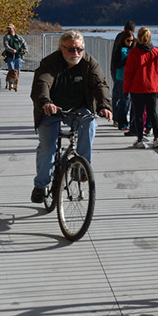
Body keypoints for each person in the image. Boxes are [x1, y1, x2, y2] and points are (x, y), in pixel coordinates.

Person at [29, 30, 113, 203]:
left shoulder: (89, 63)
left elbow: (100, 84)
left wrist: (104, 106)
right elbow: (42, 82)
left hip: (79, 108)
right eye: (71, 50)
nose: (76, 53)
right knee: (48, 147)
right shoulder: (51, 63)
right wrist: (45, 102)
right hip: (51, 109)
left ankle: (80, 167)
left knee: (90, 125)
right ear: (62, 48)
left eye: (79, 49)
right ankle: (41, 185)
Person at [122, 26, 158, 149]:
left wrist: (125, 89)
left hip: (137, 88)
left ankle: (140, 140)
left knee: (138, 114)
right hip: (152, 87)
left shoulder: (134, 53)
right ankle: (156, 138)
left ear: (138, 38)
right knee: (153, 113)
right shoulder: (156, 52)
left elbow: (128, 73)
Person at [110, 21, 135, 118]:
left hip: (114, 69)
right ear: (133, 30)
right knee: (123, 96)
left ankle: (116, 117)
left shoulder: (118, 37)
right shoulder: (125, 40)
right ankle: (119, 118)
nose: (130, 42)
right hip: (120, 71)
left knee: (117, 94)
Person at [112, 32, 134, 131]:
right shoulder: (119, 50)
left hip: (131, 78)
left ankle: (127, 122)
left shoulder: (133, 50)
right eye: (128, 40)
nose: (130, 43)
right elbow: (116, 64)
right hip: (121, 78)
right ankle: (122, 123)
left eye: (132, 41)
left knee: (129, 101)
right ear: (123, 40)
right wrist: (126, 60)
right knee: (124, 100)